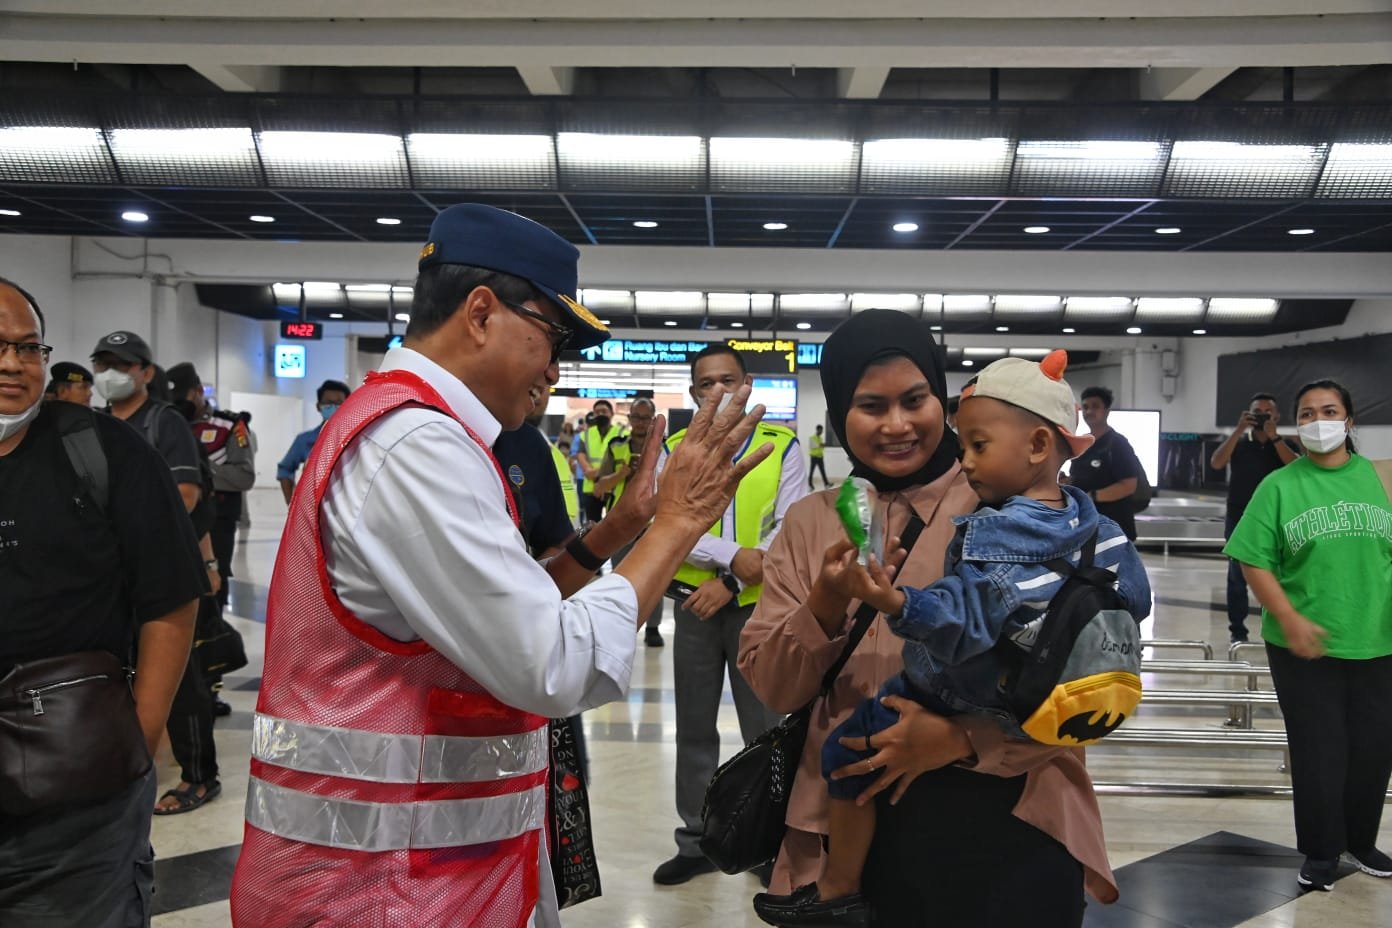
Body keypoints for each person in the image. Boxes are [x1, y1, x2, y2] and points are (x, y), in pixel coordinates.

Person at [229, 203, 776, 927]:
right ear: (481, 313)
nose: (554, 369)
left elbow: (498, 620)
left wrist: (626, 526)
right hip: (380, 890)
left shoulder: (421, 431)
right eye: (551, 339)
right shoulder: (416, 448)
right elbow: (553, 661)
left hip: (428, 875)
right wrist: (676, 527)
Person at [739, 310, 1120, 928]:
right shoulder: (813, 522)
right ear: (840, 415)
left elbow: (1095, 677)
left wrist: (966, 738)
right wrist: (825, 604)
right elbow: (775, 688)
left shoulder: (1023, 506)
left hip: (1010, 817)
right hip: (842, 830)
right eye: (870, 405)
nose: (896, 425)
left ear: (942, 401)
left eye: (914, 400)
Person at [0, 278, 203, 928]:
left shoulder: (103, 450)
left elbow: (170, 598)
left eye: (27, 348)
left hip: (76, 785)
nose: (13, 364)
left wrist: (137, 741)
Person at [1224, 379, 1392, 894]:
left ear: (1349, 420)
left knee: (1373, 749)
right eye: (1308, 413)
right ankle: (1322, 850)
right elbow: (1253, 559)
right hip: (1303, 645)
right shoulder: (1280, 485)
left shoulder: (1381, 479)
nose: (1319, 420)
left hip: (1378, 640)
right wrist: (1290, 618)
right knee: (1320, 749)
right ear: (1296, 425)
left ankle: (1360, 841)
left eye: (1330, 410)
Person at [652, 343, 807, 886]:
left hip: (757, 609)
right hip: (694, 608)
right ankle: (695, 840)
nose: (717, 392)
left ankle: (766, 841)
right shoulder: (675, 448)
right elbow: (669, 521)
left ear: (747, 385)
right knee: (693, 728)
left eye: (727, 380)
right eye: (705, 384)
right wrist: (729, 563)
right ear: (694, 393)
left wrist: (735, 578)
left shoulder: (782, 445)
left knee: (764, 729)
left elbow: (787, 526)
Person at [91, 330, 224, 816]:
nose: (111, 373)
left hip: (158, 571)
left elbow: (186, 496)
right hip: (107, 576)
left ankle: (199, 776)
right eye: (103, 363)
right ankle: (120, 765)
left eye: (122, 365)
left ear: (146, 373)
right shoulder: (93, 424)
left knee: (181, 676)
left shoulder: (163, 423)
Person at [1209, 393, 1300, 643]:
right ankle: (1237, 632)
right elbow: (1216, 463)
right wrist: (1238, 430)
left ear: (1277, 416)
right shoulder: (1239, 443)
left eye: (1266, 412)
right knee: (1237, 576)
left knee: (1278, 575)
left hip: (1277, 517)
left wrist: (1274, 437)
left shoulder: (1285, 444)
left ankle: (1277, 628)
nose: (1261, 416)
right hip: (1240, 516)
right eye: (1256, 412)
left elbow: (1296, 467)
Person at [168, 362, 256, 613]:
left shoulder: (229, 426)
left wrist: (197, 472)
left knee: (211, 595)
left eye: (182, 397)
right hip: (175, 521)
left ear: (198, 391)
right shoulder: (165, 424)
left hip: (217, 522)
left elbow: (244, 477)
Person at [595, 397, 665, 646]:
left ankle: (653, 628)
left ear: (654, 419)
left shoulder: (667, 448)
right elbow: (599, 487)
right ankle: (623, 627)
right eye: (636, 417)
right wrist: (623, 473)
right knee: (622, 579)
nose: (640, 423)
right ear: (629, 419)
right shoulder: (616, 446)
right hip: (622, 526)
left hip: (654, 525)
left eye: (646, 418)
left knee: (655, 579)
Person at [1067, 385, 1144, 541]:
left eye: (1095, 406)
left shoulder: (1118, 444)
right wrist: (1068, 482)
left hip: (1114, 527)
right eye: (1086, 407)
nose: (1089, 412)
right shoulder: (1083, 443)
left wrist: (1094, 496)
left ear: (1107, 410)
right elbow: (1082, 477)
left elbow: (1129, 485)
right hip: (1086, 526)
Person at [276, 378, 351, 505]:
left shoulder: (356, 439)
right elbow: (285, 469)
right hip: (314, 510)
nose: (333, 408)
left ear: (348, 406)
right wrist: (292, 504)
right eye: (328, 403)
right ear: (318, 406)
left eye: (338, 403)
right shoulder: (305, 441)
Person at [576, 398, 623, 525]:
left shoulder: (622, 433)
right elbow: (580, 453)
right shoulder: (586, 434)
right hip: (590, 488)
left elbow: (623, 459)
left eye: (604, 411)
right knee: (591, 526)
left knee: (614, 525)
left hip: (612, 487)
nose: (601, 414)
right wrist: (587, 470)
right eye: (597, 412)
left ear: (612, 414)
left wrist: (599, 474)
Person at [808, 423, 830, 489]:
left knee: (823, 471)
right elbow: (812, 446)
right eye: (820, 430)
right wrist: (820, 445)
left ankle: (826, 484)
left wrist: (822, 446)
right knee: (811, 471)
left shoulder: (820, 438)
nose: (821, 432)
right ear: (817, 430)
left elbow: (820, 447)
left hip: (820, 457)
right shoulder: (812, 438)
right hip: (814, 457)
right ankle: (810, 485)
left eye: (822, 431)